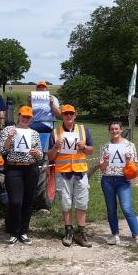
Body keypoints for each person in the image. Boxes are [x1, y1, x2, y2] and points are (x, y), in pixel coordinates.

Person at [47, 104, 94, 247]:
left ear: (75, 115)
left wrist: (84, 147)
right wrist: (56, 146)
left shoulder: (83, 129)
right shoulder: (55, 133)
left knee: (82, 203)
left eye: (70, 114)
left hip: (80, 172)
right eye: (65, 113)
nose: (68, 116)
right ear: (62, 115)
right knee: (66, 203)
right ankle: (68, 231)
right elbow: (50, 157)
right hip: (64, 173)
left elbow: (91, 151)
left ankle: (81, 233)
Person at [100, 120, 138, 249]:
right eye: (112, 129)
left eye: (117, 129)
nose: (114, 131)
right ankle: (115, 235)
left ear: (121, 130)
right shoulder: (105, 147)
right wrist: (105, 161)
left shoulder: (130, 145)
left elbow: (134, 167)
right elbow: (102, 169)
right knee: (111, 209)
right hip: (108, 179)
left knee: (127, 208)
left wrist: (128, 162)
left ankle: (137, 237)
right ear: (109, 131)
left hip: (123, 180)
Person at [0, 106, 43, 244]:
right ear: (18, 116)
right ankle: (13, 231)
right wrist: (10, 138)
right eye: (23, 116)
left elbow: (40, 154)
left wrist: (37, 154)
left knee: (28, 202)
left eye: (28, 117)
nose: (25, 118)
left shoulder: (35, 133)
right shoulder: (8, 130)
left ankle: (23, 232)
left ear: (32, 119)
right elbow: (2, 150)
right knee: (15, 202)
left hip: (31, 169)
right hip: (14, 169)